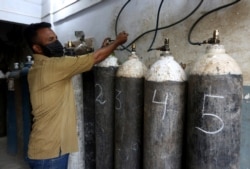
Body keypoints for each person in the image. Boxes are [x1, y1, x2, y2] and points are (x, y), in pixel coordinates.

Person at [23, 22, 128, 169]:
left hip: (41, 149)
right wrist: (117, 42)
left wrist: (104, 48)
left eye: (56, 38)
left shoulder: (36, 68)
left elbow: (87, 58)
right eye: (50, 40)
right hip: (51, 153)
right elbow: (95, 58)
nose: (56, 43)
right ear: (37, 48)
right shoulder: (54, 66)